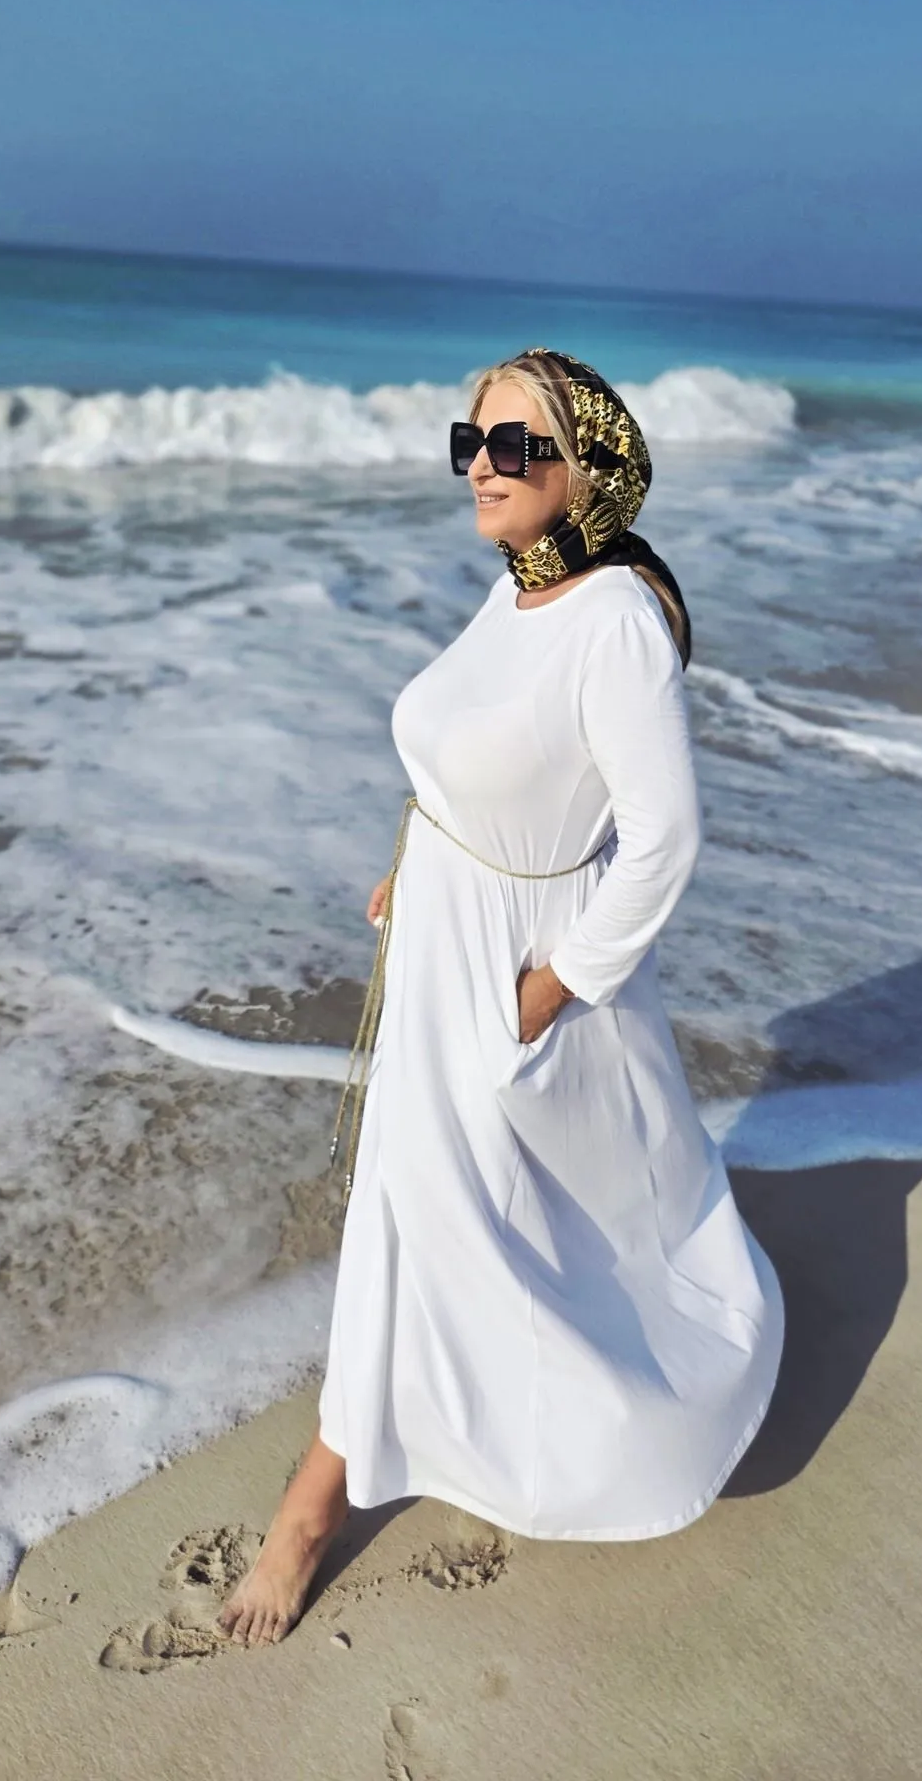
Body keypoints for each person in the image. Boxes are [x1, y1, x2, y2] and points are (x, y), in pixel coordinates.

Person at [219, 347, 783, 1646]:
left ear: (586, 465)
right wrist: (419, 855)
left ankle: (310, 1512)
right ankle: (363, 1460)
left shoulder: (616, 618)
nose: (484, 465)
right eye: (468, 441)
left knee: (433, 1215)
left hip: (509, 973)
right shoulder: (522, 584)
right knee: (422, 1211)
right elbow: (484, 752)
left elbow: (663, 840)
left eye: (517, 445)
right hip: (439, 943)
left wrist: (549, 989)